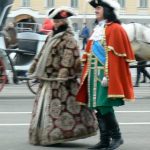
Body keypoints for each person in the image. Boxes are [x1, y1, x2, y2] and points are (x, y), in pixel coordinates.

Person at [28, 6, 98, 146]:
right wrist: (34, 67)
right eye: (55, 21)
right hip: (48, 79)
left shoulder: (69, 38)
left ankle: (57, 135)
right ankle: (42, 134)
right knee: (45, 109)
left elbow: (70, 57)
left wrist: (62, 75)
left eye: (59, 21)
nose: (56, 23)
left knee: (61, 109)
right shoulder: (51, 36)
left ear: (65, 21)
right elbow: (42, 54)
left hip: (62, 82)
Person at [76, 0, 135, 150]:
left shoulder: (115, 28)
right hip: (93, 74)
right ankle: (104, 140)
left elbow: (116, 58)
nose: (95, 10)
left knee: (105, 106)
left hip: (104, 76)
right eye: (95, 8)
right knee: (97, 107)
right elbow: (90, 54)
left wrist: (108, 76)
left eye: (98, 7)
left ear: (107, 10)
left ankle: (117, 137)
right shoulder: (98, 28)